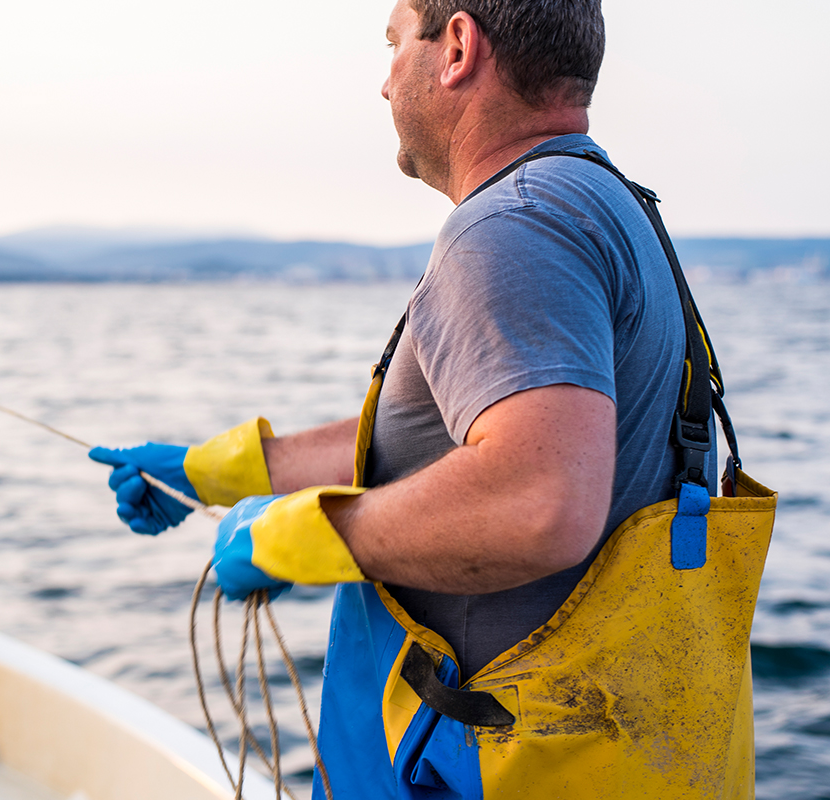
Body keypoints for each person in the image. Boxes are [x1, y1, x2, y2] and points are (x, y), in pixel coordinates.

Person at [91, 1, 776, 797]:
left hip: (493, 766)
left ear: (455, 47)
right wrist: (213, 472)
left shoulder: (511, 228)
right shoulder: (605, 204)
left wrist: (294, 539)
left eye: (393, 44)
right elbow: (450, 433)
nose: (384, 86)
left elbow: (538, 497)